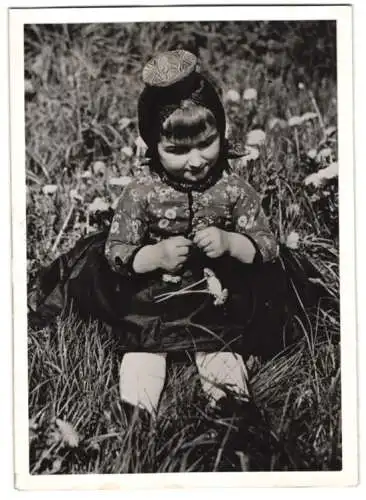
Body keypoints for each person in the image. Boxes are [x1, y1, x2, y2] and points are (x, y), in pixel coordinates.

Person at [28, 50, 331, 471]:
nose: (196, 160)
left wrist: (229, 242)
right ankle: (135, 424)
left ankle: (233, 419)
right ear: (153, 145)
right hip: (151, 292)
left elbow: (266, 245)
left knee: (222, 348)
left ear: (222, 132)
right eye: (177, 149)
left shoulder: (233, 189)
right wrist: (153, 255)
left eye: (207, 143)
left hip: (219, 289)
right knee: (143, 349)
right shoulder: (141, 192)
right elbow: (117, 251)